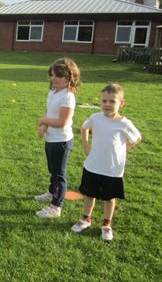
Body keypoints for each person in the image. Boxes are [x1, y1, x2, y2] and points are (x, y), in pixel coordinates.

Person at [71, 83, 141, 240]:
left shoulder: (124, 123)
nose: (107, 105)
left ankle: (106, 224)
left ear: (121, 103)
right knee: (89, 195)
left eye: (112, 101)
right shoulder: (95, 118)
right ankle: (85, 219)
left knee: (109, 198)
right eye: (104, 101)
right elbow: (84, 128)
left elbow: (137, 137)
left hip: (112, 169)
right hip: (93, 166)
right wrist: (86, 146)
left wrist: (124, 148)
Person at [35, 58, 81, 218]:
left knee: (59, 174)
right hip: (50, 138)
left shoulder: (68, 97)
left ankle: (56, 207)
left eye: (59, 76)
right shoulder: (53, 91)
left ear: (69, 78)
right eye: (52, 75)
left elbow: (62, 122)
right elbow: (49, 112)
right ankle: (51, 192)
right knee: (52, 170)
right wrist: (44, 126)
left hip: (61, 140)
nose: (54, 78)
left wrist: (43, 121)